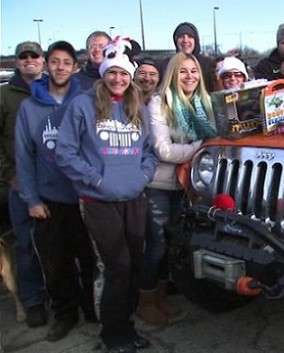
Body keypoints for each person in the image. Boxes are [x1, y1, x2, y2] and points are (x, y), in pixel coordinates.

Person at [55, 36, 157, 353]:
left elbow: (150, 153)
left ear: (131, 77)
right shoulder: (82, 105)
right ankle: (111, 336)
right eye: (112, 72)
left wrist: (142, 177)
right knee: (116, 268)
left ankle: (126, 328)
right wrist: (97, 181)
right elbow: (65, 153)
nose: (118, 79)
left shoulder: (136, 106)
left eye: (124, 74)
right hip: (98, 201)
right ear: (103, 73)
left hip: (133, 198)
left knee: (135, 266)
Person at [14, 41, 97, 341]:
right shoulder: (29, 107)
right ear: (47, 66)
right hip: (50, 200)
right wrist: (32, 199)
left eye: (66, 62)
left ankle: (91, 307)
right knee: (56, 262)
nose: (60, 67)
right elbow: (24, 156)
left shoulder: (87, 100)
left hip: (86, 197)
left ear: (75, 68)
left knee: (89, 258)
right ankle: (65, 313)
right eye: (54, 61)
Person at [138, 52, 217, 325]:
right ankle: (146, 299)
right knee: (156, 244)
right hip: (158, 184)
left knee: (172, 244)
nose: (190, 76)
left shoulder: (203, 103)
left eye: (194, 71)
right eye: (183, 71)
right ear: (173, 74)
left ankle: (162, 296)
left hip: (186, 185)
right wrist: (202, 147)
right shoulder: (160, 102)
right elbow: (163, 150)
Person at [0, 41, 48, 328]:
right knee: (27, 246)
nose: (30, 60)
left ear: (42, 61)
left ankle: (60, 296)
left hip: (54, 183)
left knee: (55, 246)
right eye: (24, 56)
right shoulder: (4, 96)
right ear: (17, 62)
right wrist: (8, 173)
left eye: (35, 56)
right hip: (20, 185)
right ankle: (33, 302)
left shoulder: (53, 91)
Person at [159, 22, 215, 92]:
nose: (185, 40)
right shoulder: (166, 65)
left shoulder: (208, 64)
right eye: (181, 36)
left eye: (190, 36)